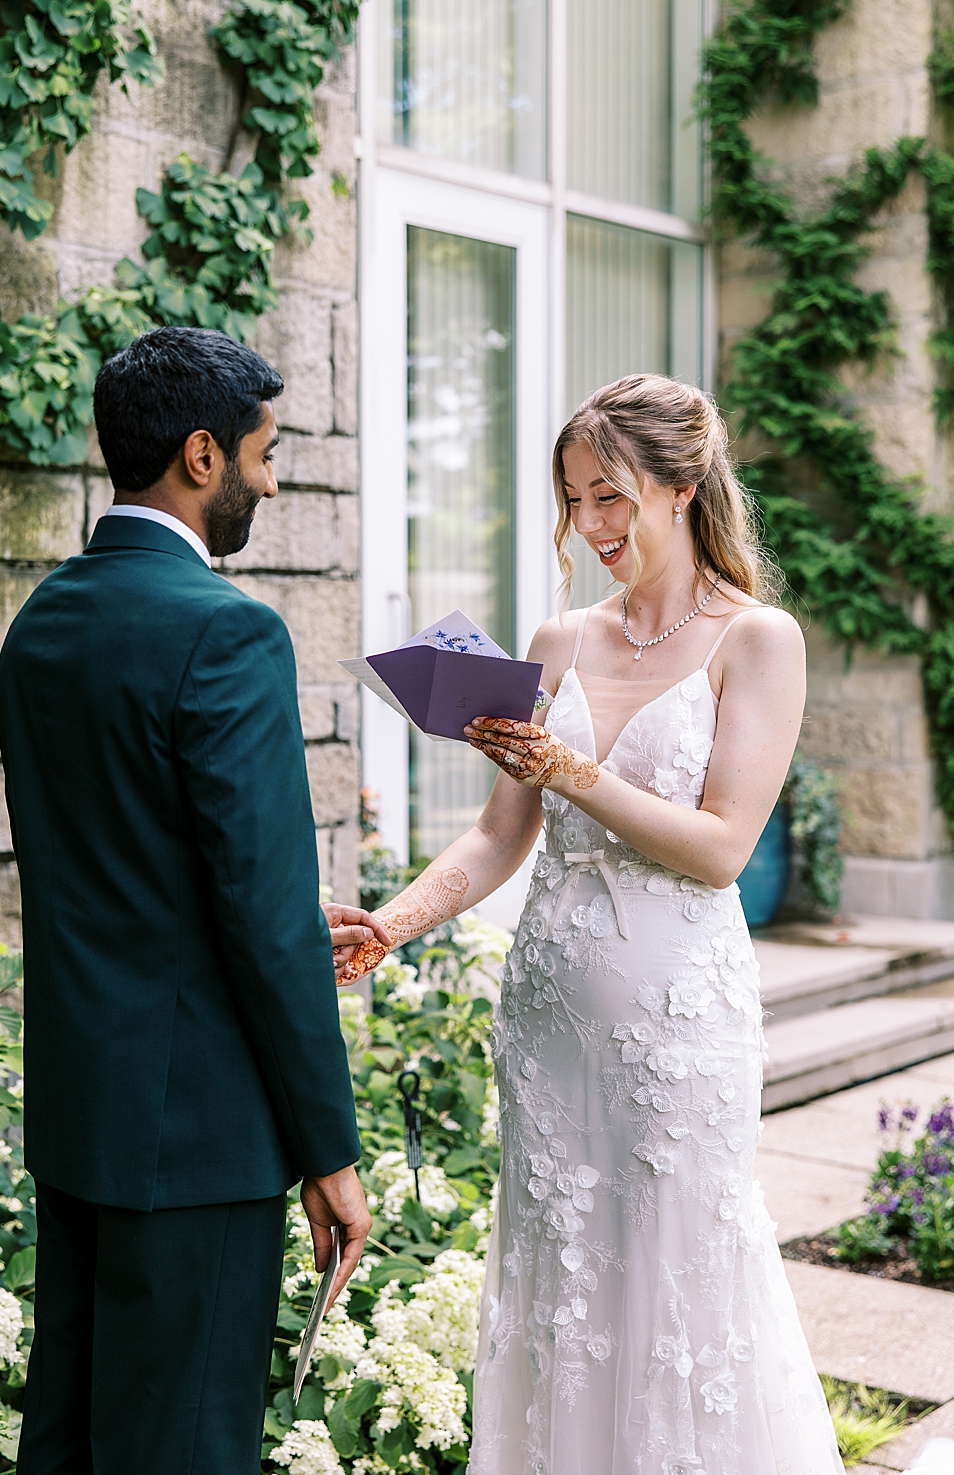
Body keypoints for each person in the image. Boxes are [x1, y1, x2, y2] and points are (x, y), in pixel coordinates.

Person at [343, 373, 842, 1475]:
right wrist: (392, 922)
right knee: (560, 1280)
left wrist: (569, 769)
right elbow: (495, 836)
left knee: (673, 1280)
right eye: (573, 501)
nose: (589, 526)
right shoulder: (557, 639)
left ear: (678, 487)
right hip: (547, 1029)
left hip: (677, 1031)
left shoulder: (758, 641)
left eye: (608, 497)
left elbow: (718, 849)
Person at [0, 325, 378, 1473]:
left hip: (81, 1121)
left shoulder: (38, 627)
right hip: (199, 1138)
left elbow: (116, 865)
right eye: (262, 454)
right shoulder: (227, 631)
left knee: (70, 1441)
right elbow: (258, 921)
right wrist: (331, 1155)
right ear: (200, 457)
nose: (270, 479)